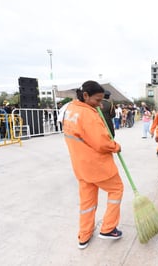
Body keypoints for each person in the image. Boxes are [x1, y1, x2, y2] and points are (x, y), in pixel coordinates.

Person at [63, 80, 124, 249]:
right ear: (85, 96)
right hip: (97, 165)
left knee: (87, 202)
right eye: (97, 100)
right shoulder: (88, 115)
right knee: (116, 189)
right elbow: (102, 143)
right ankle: (108, 228)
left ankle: (84, 235)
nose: (99, 104)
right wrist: (116, 146)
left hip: (80, 166)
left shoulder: (71, 109)